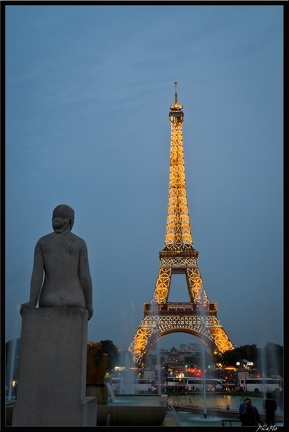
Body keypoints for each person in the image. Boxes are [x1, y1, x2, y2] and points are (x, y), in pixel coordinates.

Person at [20, 204, 93, 320]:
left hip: (48, 298)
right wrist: (89, 304)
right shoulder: (79, 243)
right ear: (70, 221)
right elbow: (85, 277)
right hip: (75, 298)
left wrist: (32, 302)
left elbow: (37, 276)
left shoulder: (42, 243)